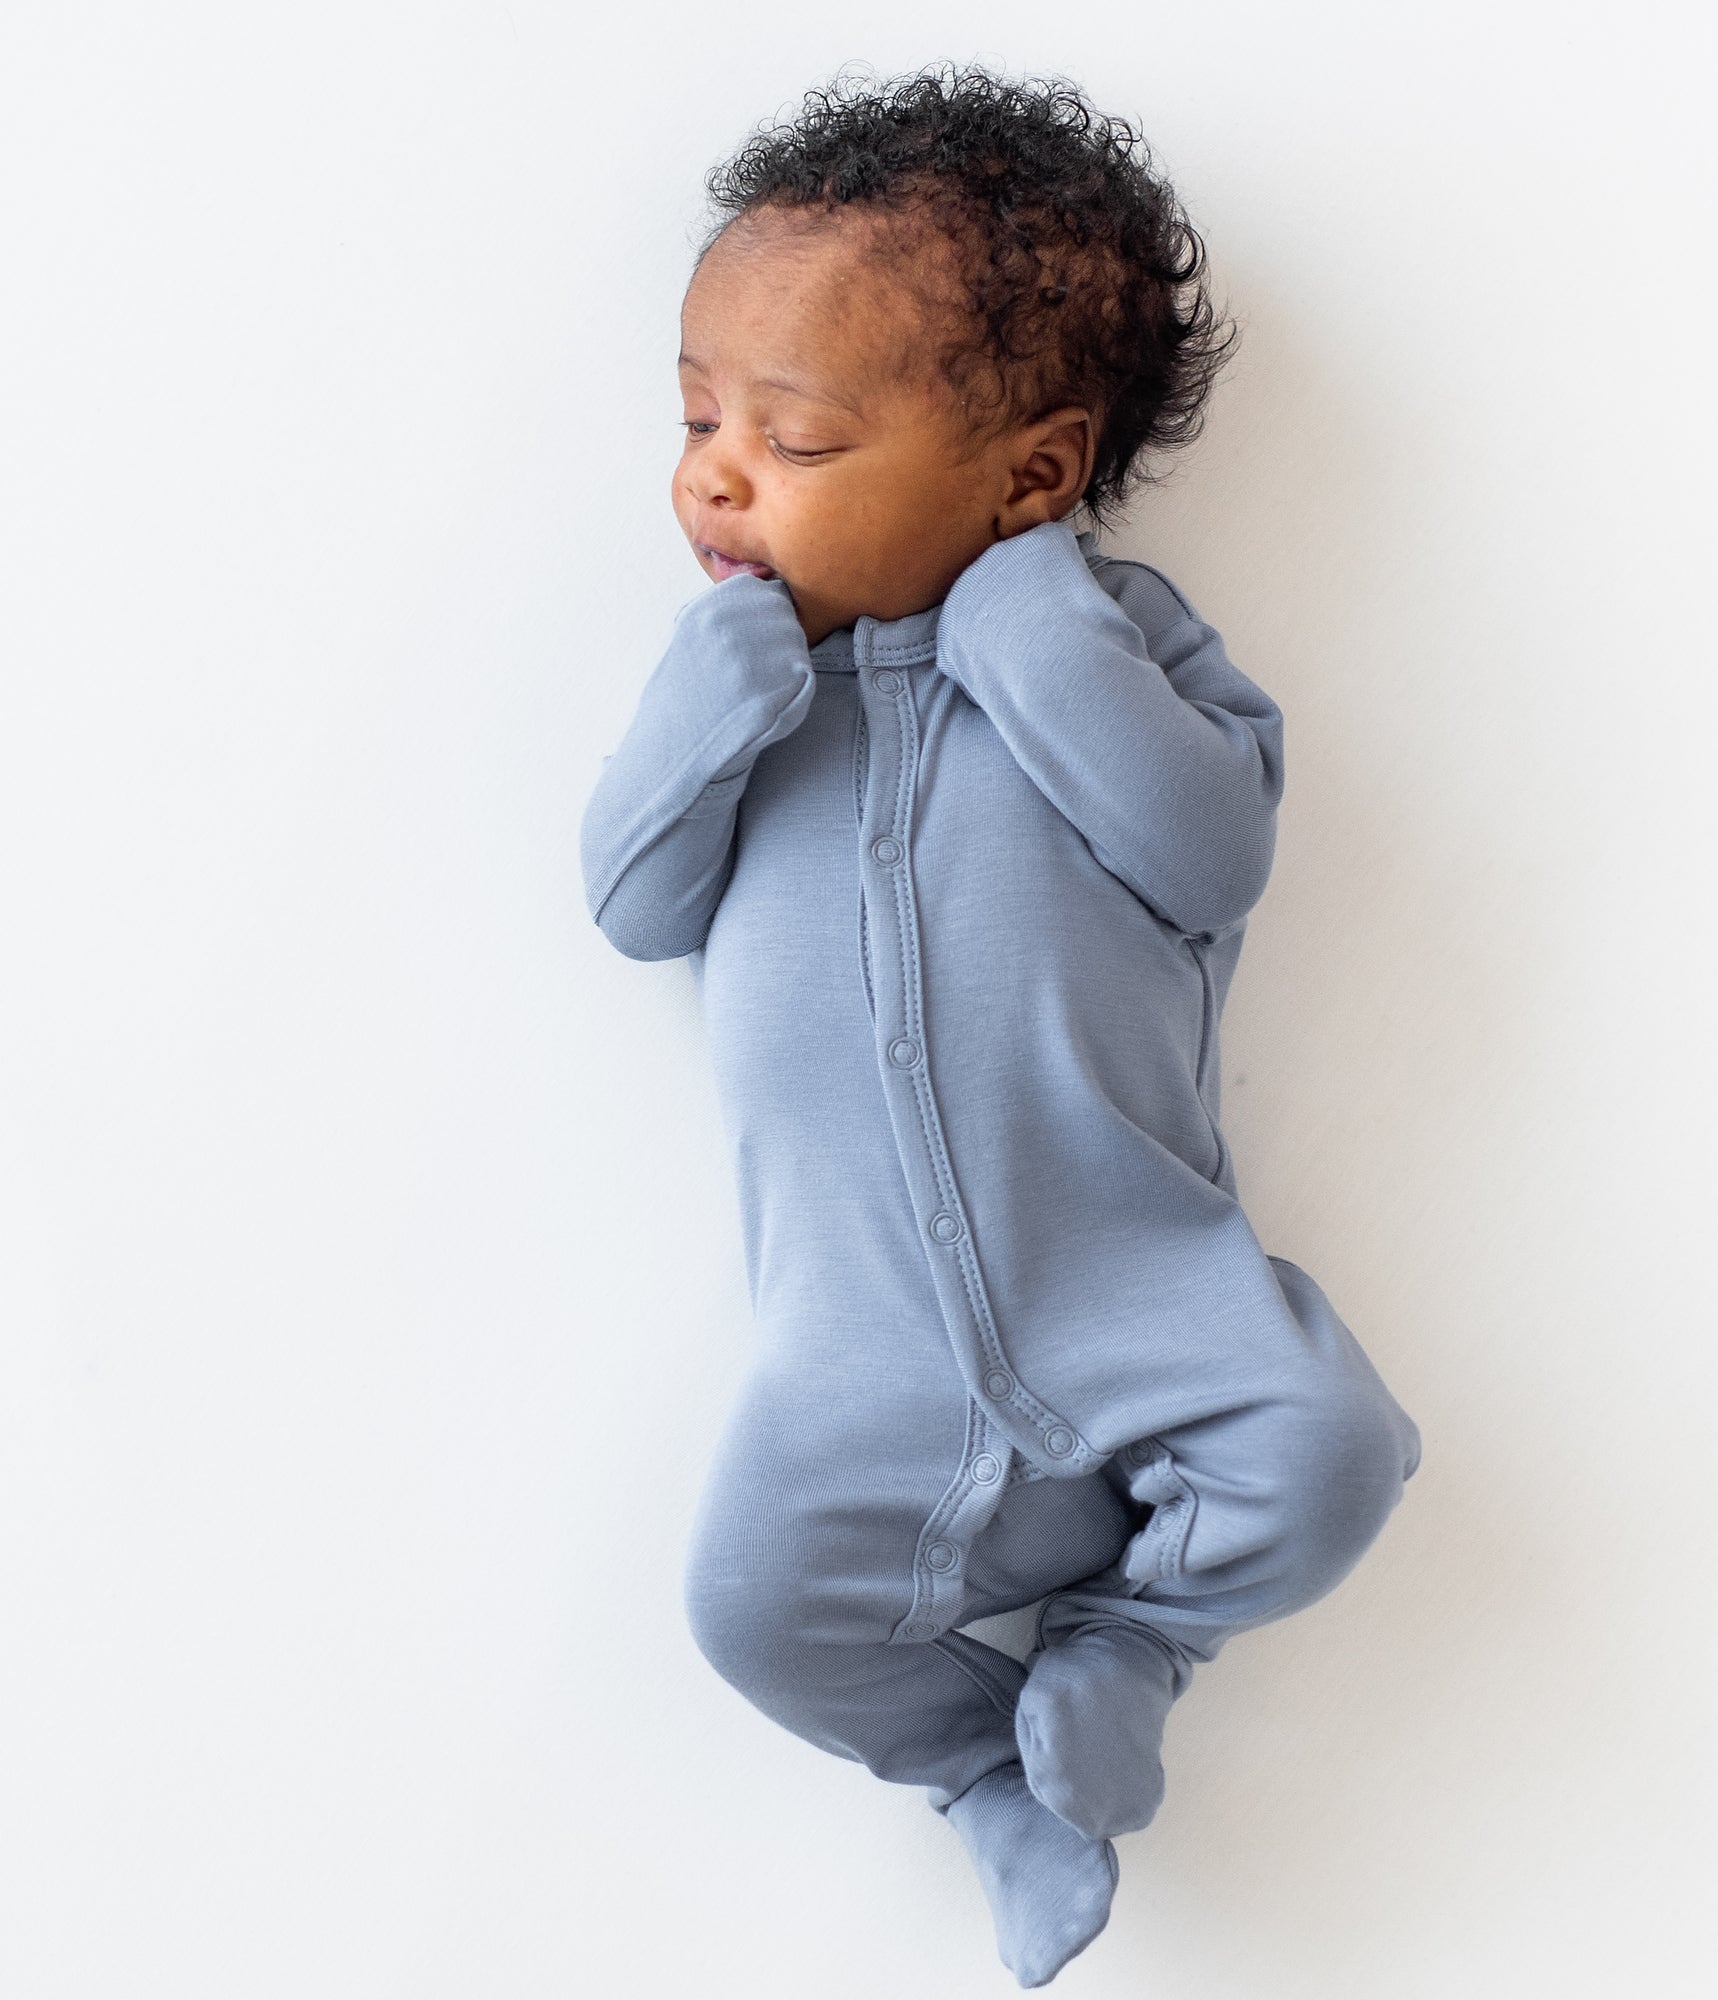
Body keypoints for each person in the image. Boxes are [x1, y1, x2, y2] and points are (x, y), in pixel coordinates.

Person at [580, 65, 1421, 1989]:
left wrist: (1032, 628)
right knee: (750, 1609)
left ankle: (1133, 1641)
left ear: (1032, 477)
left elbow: (1207, 857)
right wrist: (707, 703)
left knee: (1334, 1455)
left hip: (1139, 1294)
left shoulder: (1130, 652)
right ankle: (984, 1777)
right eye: (700, 419)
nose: (715, 477)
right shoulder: (748, 688)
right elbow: (634, 907)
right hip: (854, 1346)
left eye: (790, 437)